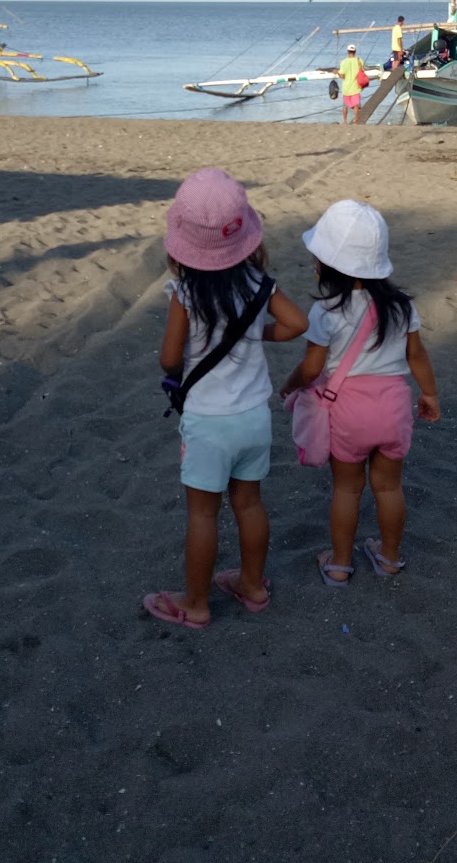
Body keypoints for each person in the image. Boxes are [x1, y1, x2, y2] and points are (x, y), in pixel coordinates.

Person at [144, 168, 307, 629]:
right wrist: (259, 333)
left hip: (208, 422)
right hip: (254, 416)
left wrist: (178, 373)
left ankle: (195, 604)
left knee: (202, 513)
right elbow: (298, 325)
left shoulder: (185, 293)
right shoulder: (260, 285)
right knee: (250, 503)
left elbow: (169, 358)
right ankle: (253, 585)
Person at [281, 200, 439, 585]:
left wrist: (289, 385)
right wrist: (430, 394)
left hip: (348, 411)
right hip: (393, 406)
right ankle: (389, 558)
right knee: (389, 486)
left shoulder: (326, 311)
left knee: (347, 489)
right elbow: (415, 354)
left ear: (328, 264)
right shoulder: (402, 307)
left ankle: (338, 564)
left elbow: (313, 368)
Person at [338, 43, 364, 125]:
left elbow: (342, 76)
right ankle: (355, 119)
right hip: (356, 86)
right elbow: (362, 71)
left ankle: (345, 121)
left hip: (346, 87)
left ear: (347, 51)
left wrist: (337, 72)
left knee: (345, 106)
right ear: (355, 51)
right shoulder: (359, 61)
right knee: (356, 105)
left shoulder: (343, 62)